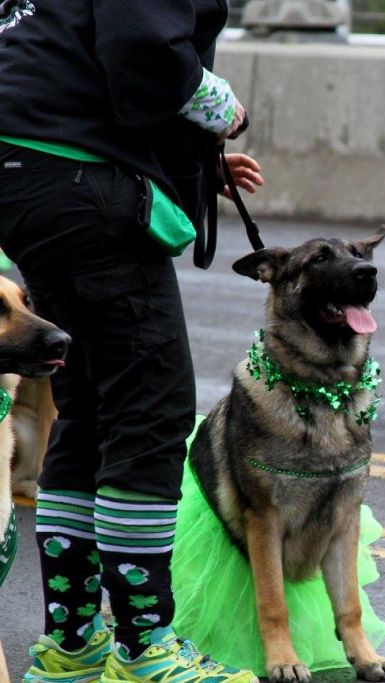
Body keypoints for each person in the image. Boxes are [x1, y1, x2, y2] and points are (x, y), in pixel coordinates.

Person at [0, 2, 262, 683]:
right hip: (78, 181)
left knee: (87, 410)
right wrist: (218, 103)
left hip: (32, 174)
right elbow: (144, 49)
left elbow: (81, 68)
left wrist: (192, 162)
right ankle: (146, 647)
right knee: (150, 410)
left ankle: (73, 644)